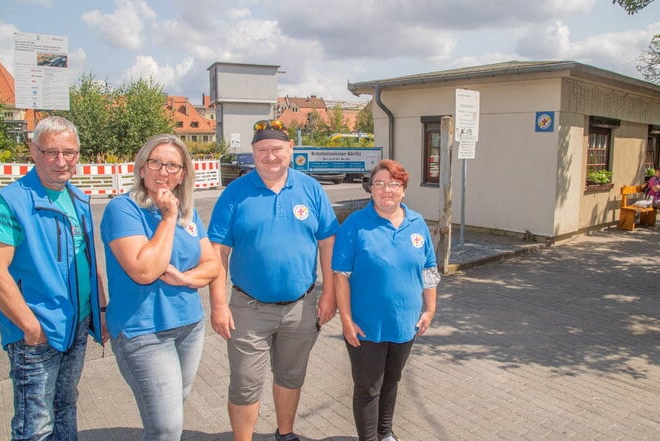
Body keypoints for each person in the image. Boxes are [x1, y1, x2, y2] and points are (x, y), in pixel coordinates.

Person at [208, 119, 339, 441]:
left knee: (291, 376)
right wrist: (219, 304)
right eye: (262, 150)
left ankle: (286, 433)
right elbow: (217, 251)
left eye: (276, 149)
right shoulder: (235, 193)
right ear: (253, 153)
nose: (270, 156)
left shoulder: (310, 189)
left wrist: (329, 295)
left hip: (301, 306)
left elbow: (328, 244)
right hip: (248, 309)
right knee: (244, 383)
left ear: (291, 150)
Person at [0, 116, 107, 440]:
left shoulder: (77, 198)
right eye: (51, 152)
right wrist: (30, 326)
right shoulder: (11, 202)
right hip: (37, 334)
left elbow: (88, 261)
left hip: (75, 326)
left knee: (66, 405)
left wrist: (100, 311)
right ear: (33, 151)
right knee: (34, 426)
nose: (61, 161)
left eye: (69, 152)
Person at [100, 134, 219, 440]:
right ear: (142, 168)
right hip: (144, 331)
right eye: (155, 162)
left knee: (167, 418)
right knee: (166, 427)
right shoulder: (123, 210)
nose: (163, 171)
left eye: (172, 166)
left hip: (189, 326)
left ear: (182, 175)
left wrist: (186, 279)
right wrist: (167, 217)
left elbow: (212, 265)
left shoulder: (188, 212)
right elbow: (144, 270)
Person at [333, 159, 440, 441]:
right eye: (379, 184)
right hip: (365, 326)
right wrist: (345, 320)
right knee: (368, 387)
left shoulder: (418, 224)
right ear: (370, 188)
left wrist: (430, 308)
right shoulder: (355, 224)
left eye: (393, 184)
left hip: (405, 324)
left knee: (391, 381)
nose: (386, 190)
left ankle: (385, 433)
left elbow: (429, 269)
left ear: (404, 189)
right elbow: (340, 275)